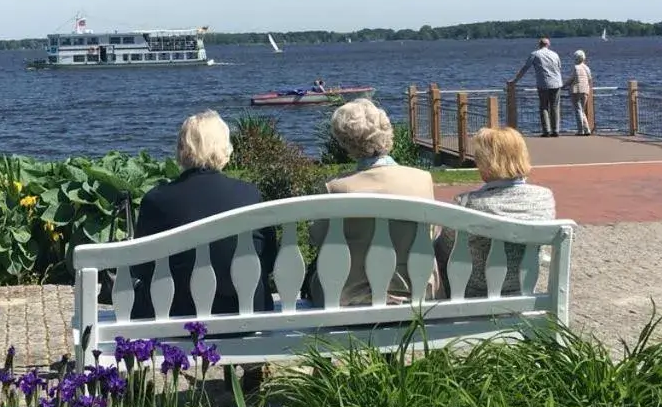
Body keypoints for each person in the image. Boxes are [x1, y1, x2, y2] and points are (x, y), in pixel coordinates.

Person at [130, 110, 275, 319]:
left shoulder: (157, 201)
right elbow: (268, 259)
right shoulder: (249, 195)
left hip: (174, 316)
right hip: (245, 313)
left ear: (181, 149)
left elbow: (141, 267)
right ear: (225, 149)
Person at [309, 99, 437, 306]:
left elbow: (316, 238)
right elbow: (433, 232)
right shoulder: (422, 179)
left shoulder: (336, 187)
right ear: (386, 131)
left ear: (344, 142)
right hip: (417, 291)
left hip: (350, 296)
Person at [450, 127, 557, 298]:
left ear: (486, 163)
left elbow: (448, 247)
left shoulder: (468, 203)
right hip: (524, 288)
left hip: (473, 293)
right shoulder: (544, 199)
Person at [511, 37, 563, 137]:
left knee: (544, 107)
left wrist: (515, 80)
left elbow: (525, 68)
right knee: (555, 107)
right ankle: (555, 130)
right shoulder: (555, 54)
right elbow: (559, 67)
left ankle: (546, 130)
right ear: (548, 44)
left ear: (539, 44)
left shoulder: (535, 54)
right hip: (557, 83)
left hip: (543, 83)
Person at [564, 50, 593, 136]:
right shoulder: (587, 68)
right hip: (585, 90)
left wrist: (564, 85)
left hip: (576, 90)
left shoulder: (576, 67)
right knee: (582, 110)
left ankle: (581, 130)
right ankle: (587, 129)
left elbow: (571, 79)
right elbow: (590, 79)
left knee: (578, 110)